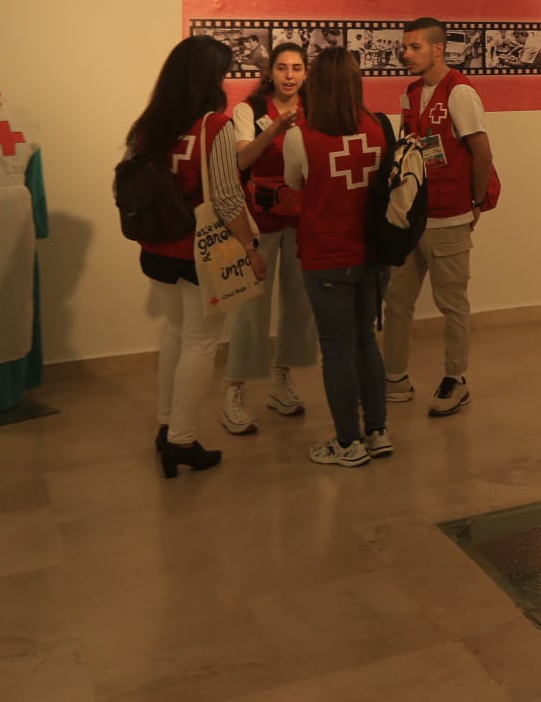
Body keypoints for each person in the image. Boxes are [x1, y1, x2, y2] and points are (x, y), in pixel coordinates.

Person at [127, 35, 268, 478]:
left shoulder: (149, 126)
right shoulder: (214, 126)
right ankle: (181, 441)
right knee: (200, 343)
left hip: (156, 248)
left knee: (175, 334)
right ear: (209, 78)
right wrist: (250, 248)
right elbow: (227, 200)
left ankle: (167, 424)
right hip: (199, 252)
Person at [281, 49, 393, 467]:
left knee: (337, 350)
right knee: (366, 341)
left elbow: (295, 182)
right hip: (372, 257)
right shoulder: (379, 128)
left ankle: (348, 442)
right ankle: (378, 431)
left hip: (325, 257)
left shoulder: (300, 136)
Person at [385, 16, 495, 418]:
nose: (406, 53)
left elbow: (482, 153)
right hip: (411, 217)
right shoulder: (411, 92)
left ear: (438, 48)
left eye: (414, 47)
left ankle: (456, 378)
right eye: (404, 46)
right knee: (396, 302)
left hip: (449, 217)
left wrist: (476, 203)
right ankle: (394, 376)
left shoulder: (460, 92)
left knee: (452, 303)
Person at [221, 42, 318, 436]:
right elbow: (242, 160)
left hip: (301, 220)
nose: (290, 75)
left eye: (297, 68)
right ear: (270, 72)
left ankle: (282, 380)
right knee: (250, 310)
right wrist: (276, 127)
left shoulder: (314, 111)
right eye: (282, 67)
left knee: (300, 304)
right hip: (259, 220)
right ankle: (235, 391)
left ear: (306, 74)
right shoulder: (250, 110)